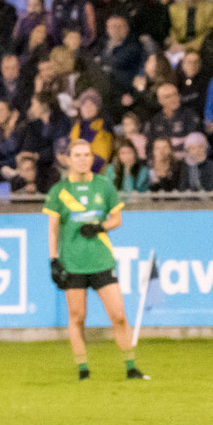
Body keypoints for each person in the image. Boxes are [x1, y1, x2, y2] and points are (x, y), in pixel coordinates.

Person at [44, 139, 147, 382]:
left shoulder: (104, 186)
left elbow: (117, 219)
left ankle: (130, 366)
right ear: (69, 159)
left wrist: (100, 226)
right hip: (73, 262)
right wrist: (53, 260)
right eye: (77, 155)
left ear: (92, 158)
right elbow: (53, 229)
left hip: (101, 260)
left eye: (87, 155)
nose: (83, 159)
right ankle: (83, 369)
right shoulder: (59, 191)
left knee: (119, 315)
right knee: (77, 317)